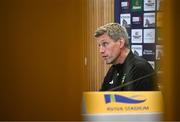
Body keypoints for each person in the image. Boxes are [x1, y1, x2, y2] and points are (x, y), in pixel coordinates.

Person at [94, 23, 158, 91]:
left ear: (121, 43)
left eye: (105, 44)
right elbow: (101, 97)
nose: (101, 51)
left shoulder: (140, 69)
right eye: (99, 45)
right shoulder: (113, 70)